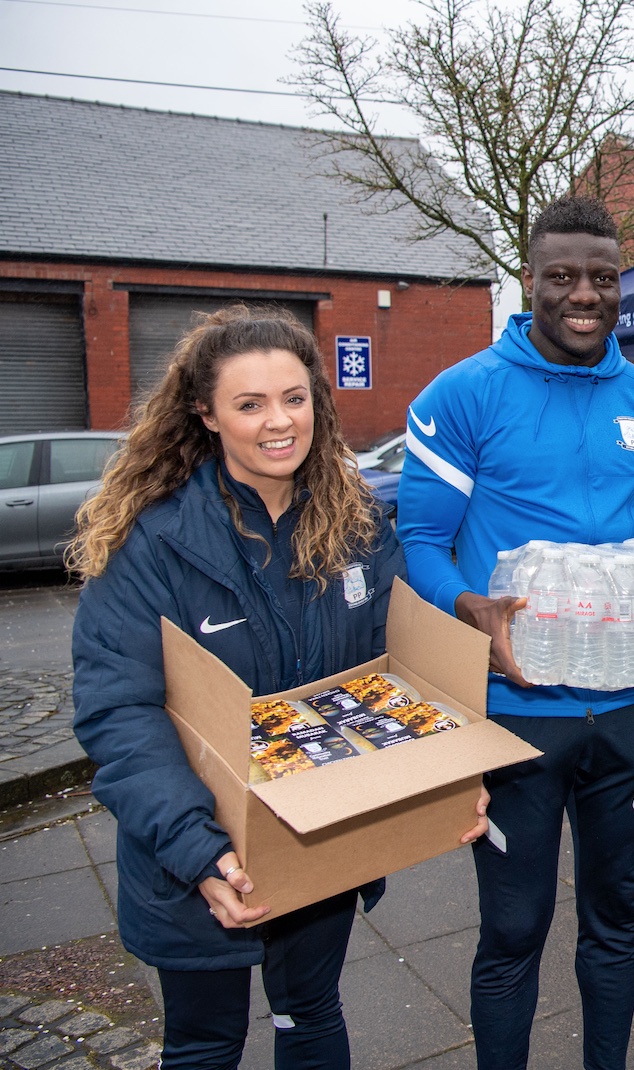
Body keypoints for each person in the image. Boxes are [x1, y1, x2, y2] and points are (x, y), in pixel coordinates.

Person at [68, 305, 455, 1070]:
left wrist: (447, 780)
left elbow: (398, 677)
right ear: (206, 414)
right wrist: (203, 855)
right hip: (195, 857)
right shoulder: (155, 541)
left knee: (309, 1015)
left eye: (294, 397)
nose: (279, 422)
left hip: (320, 841)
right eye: (250, 404)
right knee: (206, 1043)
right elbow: (121, 713)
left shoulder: (359, 525)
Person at [396, 197, 634, 1070]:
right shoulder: (463, 394)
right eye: (562, 276)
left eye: (603, 277)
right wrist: (466, 609)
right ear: (529, 280)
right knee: (515, 925)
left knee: (617, 916)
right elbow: (420, 538)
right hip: (514, 706)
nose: (584, 294)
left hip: (632, 707)